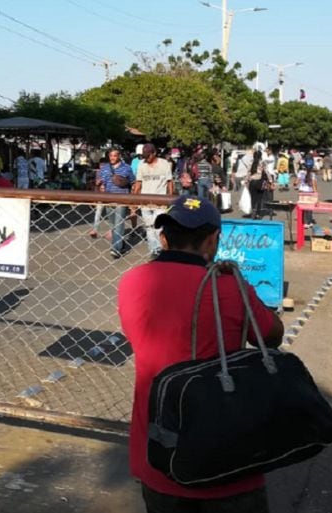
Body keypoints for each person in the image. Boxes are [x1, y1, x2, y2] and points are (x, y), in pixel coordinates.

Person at [117, 195, 284, 512]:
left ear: (163, 237)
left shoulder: (132, 282)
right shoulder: (231, 287)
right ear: (214, 240)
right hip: (228, 465)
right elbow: (272, 336)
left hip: (158, 453)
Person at [131, 144, 174, 258]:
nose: (146, 158)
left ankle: (161, 249)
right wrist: (134, 200)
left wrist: (170, 198)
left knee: (158, 226)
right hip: (145, 201)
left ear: (154, 153)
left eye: (148, 156)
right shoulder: (142, 165)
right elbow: (138, 183)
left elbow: (169, 182)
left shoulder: (164, 164)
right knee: (149, 227)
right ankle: (153, 250)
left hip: (160, 200)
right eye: (144, 156)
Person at [98, 148, 135, 259]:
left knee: (119, 224)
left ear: (119, 156)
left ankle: (115, 249)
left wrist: (132, 200)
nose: (112, 158)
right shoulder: (104, 169)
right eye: (111, 156)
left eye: (115, 155)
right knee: (113, 225)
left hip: (122, 200)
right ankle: (121, 243)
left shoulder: (127, 168)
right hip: (109, 200)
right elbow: (102, 183)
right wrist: (101, 187)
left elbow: (133, 182)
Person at [246, 149, 267, 219]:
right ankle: (258, 213)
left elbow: (248, 173)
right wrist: (271, 181)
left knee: (253, 198)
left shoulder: (251, 162)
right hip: (260, 182)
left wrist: (246, 181)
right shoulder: (262, 163)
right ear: (261, 156)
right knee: (260, 198)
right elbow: (267, 172)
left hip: (252, 182)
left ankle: (253, 212)